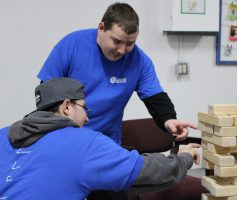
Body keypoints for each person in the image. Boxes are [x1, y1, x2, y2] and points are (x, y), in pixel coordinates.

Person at [0, 78, 201, 199]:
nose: (87, 116)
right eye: (84, 108)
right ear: (67, 106)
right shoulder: (84, 143)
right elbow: (144, 172)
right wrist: (185, 157)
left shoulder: (3, 135)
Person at [37, 2, 197, 145]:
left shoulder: (140, 61)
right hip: (65, 140)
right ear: (101, 28)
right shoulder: (71, 45)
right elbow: (47, 97)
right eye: (116, 41)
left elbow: (155, 99)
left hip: (106, 144)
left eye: (130, 44)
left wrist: (169, 120)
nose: (122, 50)